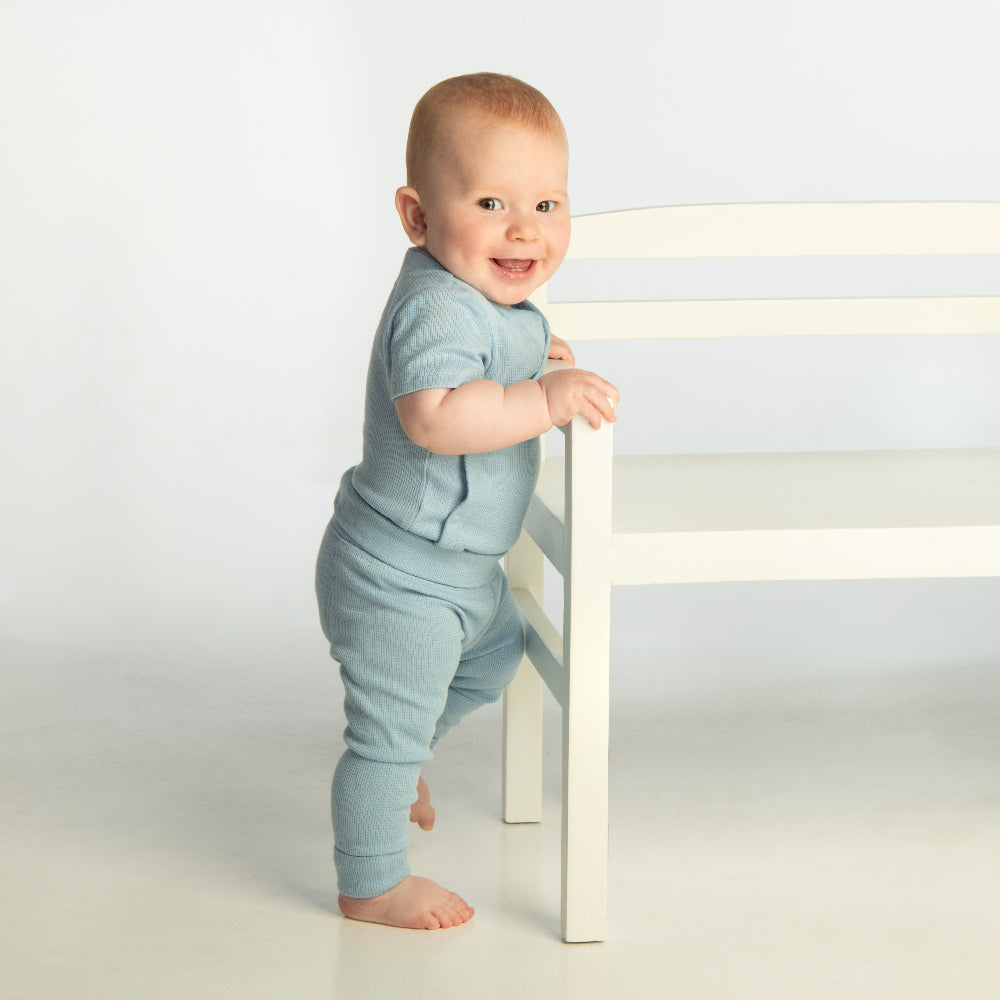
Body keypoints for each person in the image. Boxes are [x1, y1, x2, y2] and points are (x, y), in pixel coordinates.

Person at [315, 72, 619, 931]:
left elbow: (496, 349)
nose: (525, 228)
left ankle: (406, 751)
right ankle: (372, 881)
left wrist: (530, 356)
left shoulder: (488, 298)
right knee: (382, 742)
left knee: (496, 654)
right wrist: (542, 397)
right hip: (399, 577)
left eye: (547, 204)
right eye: (491, 203)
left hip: (458, 574)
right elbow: (439, 416)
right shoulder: (436, 307)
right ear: (416, 217)